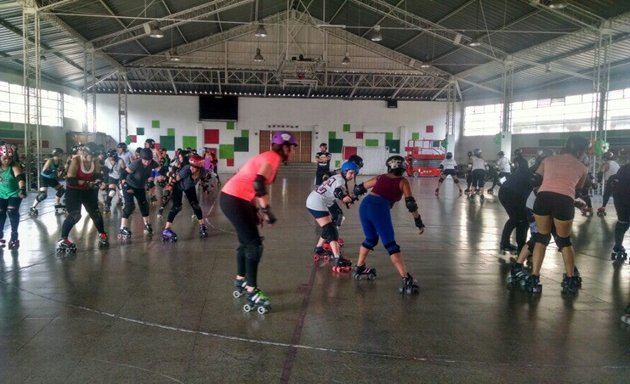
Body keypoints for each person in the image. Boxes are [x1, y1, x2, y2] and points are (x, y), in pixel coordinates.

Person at [220, 131, 297, 314]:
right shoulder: (272, 158)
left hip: (234, 198)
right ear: (285, 148)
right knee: (254, 246)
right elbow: (258, 183)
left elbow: (252, 186)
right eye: (293, 148)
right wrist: (266, 211)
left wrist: (255, 210)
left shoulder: (267, 157)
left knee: (246, 243)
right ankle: (252, 291)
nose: (293, 152)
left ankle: (241, 280)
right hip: (235, 199)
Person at [524, 135, 589, 296]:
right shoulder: (582, 168)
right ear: (581, 151)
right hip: (564, 202)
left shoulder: (548, 160)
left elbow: (534, 179)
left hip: (543, 199)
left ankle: (534, 278)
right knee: (564, 241)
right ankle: (570, 279)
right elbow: (577, 191)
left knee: (541, 238)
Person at [351, 155, 425, 294]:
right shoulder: (403, 181)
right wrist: (418, 220)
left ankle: (360, 266)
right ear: (403, 167)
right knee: (390, 244)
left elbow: (359, 188)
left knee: (371, 239)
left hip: (365, 206)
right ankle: (406, 278)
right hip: (379, 209)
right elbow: (410, 204)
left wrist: (351, 198)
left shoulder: (380, 177)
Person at [306, 161, 359, 272]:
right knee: (331, 230)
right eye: (351, 173)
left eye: (354, 173)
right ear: (345, 171)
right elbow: (338, 192)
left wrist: (346, 197)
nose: (352, 176)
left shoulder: (338, 177)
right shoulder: (340, 180)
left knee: (337, 217)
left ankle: (319, 248)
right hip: (317, 201)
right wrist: (344, 197)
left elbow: (337, 191)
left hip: (323, 200)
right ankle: (337, 258)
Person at [56, 143, 109, 253]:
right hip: (73, 190)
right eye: (92, 156)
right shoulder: (76, 161)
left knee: (95, 212)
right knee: (75, 215)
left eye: (95, 156)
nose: (94, 159)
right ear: (85, 153)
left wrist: (100, 183)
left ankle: (102, 233)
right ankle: (63, 239)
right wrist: (87, 183)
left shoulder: (95, 161)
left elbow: (97, 175)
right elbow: (70, 179)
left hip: (88, 190)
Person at [161, 154, 210, 241]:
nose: (192, 168)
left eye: (194, 167)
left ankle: (202, 225)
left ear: (199, 167)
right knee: (177, 207)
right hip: (178, 187)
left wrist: (205, 186)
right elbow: (174, 180)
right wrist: (168, 190)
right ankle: (166, 229)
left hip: (189, 187)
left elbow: (204, 177)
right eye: (191, 166)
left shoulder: (202, 171)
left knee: (195, 205)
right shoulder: (186, 170)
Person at [118, 148, 159, 240]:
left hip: (140, 187)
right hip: (129, 186)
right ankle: (122, 227)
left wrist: (166, 175)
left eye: (149, 160)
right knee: (130, 206)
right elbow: (123, 174)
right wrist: (124, 185)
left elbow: (160, 170)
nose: (147, 163)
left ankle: (147, 224)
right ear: (141, 159)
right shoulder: (136, 164)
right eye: (145, 160)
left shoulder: (152, 163)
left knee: (144, 206)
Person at [0, 144, 27, 250]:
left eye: (10, 158)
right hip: (1, 194)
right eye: (4, 158)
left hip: (14, 193)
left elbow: (20, 178)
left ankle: (14, 235)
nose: (7, 161)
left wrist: (22, 190)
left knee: (12, 211)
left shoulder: (14, 166)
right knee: (1, 212)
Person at [29, 148, 65, 217]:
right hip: (44, 178)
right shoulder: (50, 160)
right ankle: (33, 207)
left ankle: (57, 204)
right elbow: (44, 171)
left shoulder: (60, 161)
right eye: (61, 154)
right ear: (58, 154)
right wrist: (55, 171)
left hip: (51, 178)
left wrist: (60, 173)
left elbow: (58, 175)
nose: (62, 155)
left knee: (61, 190)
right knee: (43, 195)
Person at [610, 162, 630, 262]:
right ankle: (618, 245)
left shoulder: (623, 168)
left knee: (622, 222)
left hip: (619, 199)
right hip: (624, 197)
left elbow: (614, 184)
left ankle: (618, 246)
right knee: (624, 224)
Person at [102, 149, 125, 214]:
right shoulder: (106, 161)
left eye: (111, 157)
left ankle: (126, 205)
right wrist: (105, 181)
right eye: (109, 157)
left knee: (122, 192)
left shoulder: (120, 161)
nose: (109, 158)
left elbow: (124, 171)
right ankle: (107, 205)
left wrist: (123, 180)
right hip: (112, 177)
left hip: (120, 177)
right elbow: (106, 171)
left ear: (115, 156)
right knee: (112, 192)